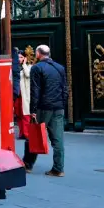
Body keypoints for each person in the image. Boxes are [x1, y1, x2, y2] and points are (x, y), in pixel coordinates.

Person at [23, 45, 67, 177]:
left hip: (43, 107)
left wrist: (33, 110)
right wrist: (62, 104)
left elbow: (35, 90)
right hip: (58, 106)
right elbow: (65, 88)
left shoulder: (37, 68)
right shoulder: (60, 68)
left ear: (38, 54)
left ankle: (28, 164)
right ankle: (58, 168)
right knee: (58, 139)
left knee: (34, 135)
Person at [13, 49, 31, 140]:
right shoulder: (14, 67)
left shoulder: (29, 67)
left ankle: (27, 133)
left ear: (25, 58)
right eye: (18, 57)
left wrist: (24, 64)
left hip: (25, 95)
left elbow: (28, 75)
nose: (19, 59)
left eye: (21, 57)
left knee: (26, 114)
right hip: (17, 94)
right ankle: (21, 133)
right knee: (18, 114)